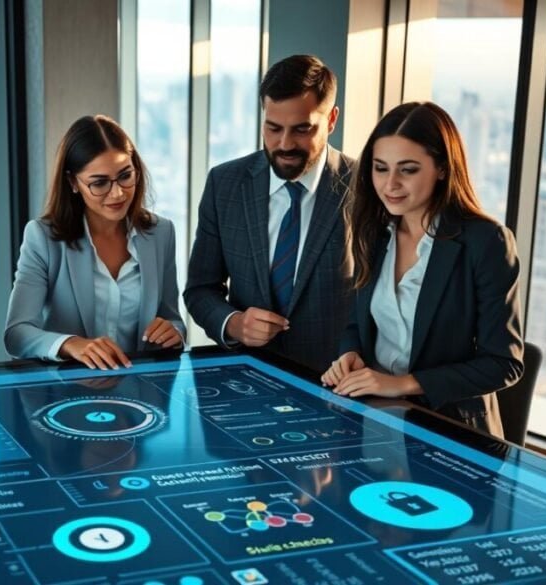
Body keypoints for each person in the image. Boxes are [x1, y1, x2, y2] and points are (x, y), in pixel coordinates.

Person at [321, 101, 524, 438]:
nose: (390, 184)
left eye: (408, 169)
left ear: (442, 168)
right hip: (374, 421)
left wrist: (401, 384)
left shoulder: (486, 241)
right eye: (380, 168)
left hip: (449, 429)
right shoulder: (373, 231)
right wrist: (350, 354)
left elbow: (504, 363)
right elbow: (358, 323)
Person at [184, 54, 354, 372]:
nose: (284, 144)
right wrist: (233, 324)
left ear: (331, 120)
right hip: (246, 379)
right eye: (273, 128)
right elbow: (200, 289)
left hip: (337, 388)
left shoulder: (367, 191)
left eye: (302, 129)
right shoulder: (225, 184)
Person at [5, 115, 184, 369]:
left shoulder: (160, 233)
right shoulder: (42, 237)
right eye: (99, 183)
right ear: (72, 183)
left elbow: (171, 317)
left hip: (141, 387)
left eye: (125, 175)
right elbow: (17, 334)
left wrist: (173, 331)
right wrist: (72, 344)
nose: (118, 193)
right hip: (69, 389)